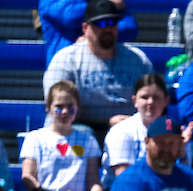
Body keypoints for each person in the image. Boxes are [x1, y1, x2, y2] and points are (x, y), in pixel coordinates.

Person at [42, 0, 153, 140]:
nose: (107, 29)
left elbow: (156, 99)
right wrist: (106, 123)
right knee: (83, 133)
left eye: (112, 23)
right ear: (85, 28)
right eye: (100, 24)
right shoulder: (66, 60)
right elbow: (57, 108)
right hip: (80, 131)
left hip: (128, 134)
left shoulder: (138, 60)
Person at [20, 80, 102, 191]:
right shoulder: (35, 138)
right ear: (48, 108)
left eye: (70, 107)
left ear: (77, 108)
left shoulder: (87, 139)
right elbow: (27, 176)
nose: (65, 112)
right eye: (59, 107)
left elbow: (93, 180)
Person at [102, 73, 191, 187]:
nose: (150, 102)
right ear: (135, 101)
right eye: (144, 97)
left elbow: (186, 178)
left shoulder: (176, 133)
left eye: (156, 97)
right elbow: (124, 179)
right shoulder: (121, 131)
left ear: (166, 101)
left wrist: (181, 150)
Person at [39, 0, 137, 68]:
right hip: (66, 69)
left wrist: (94, 38)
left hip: (105, 69)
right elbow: (70, 16)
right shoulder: (49, 1)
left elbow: (129, 28)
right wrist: (108, 4)